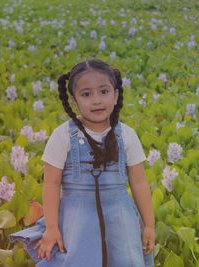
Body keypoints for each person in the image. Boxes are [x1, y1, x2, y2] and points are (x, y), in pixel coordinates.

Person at [9, 58, 155, 267]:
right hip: (77, 221)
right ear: (75, 100)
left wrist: (149, 224)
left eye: (104, 92)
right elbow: (51, 183)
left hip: (120, 218)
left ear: (115, 95)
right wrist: (51, 228)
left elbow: (139, 182)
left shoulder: (127, 135)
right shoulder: (63, 136)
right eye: (86, 94)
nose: (96, 100)